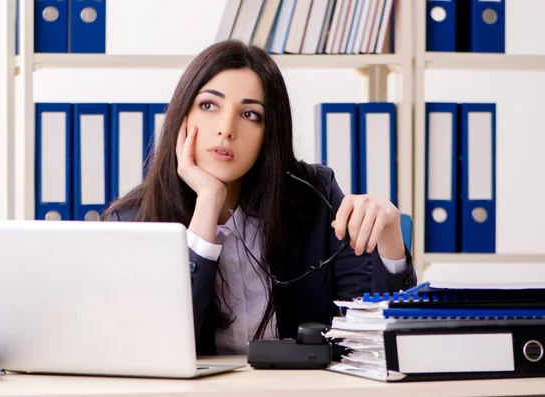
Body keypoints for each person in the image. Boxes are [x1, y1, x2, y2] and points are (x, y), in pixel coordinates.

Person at [103, 40, 417, 356]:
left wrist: (390, 241)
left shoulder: (314, 194)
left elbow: (372, 340)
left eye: (250, 114)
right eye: (209, 105)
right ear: (180, 117)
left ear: (270, 132)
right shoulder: (132, 222)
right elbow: (158, 351)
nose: (226, 129)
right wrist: (208, 203)